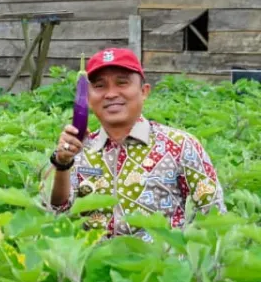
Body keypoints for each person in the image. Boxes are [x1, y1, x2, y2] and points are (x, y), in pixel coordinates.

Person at [46, 48, 225, 240]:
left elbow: (214, 216)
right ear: (88, 98)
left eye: (122, 83)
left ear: (144, 91)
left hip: (163, 266)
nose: (111, 94)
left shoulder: (180, 145)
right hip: (95, 266)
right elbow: (58, 212)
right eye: (100, 86)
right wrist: (62, 163)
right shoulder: (78, 148)